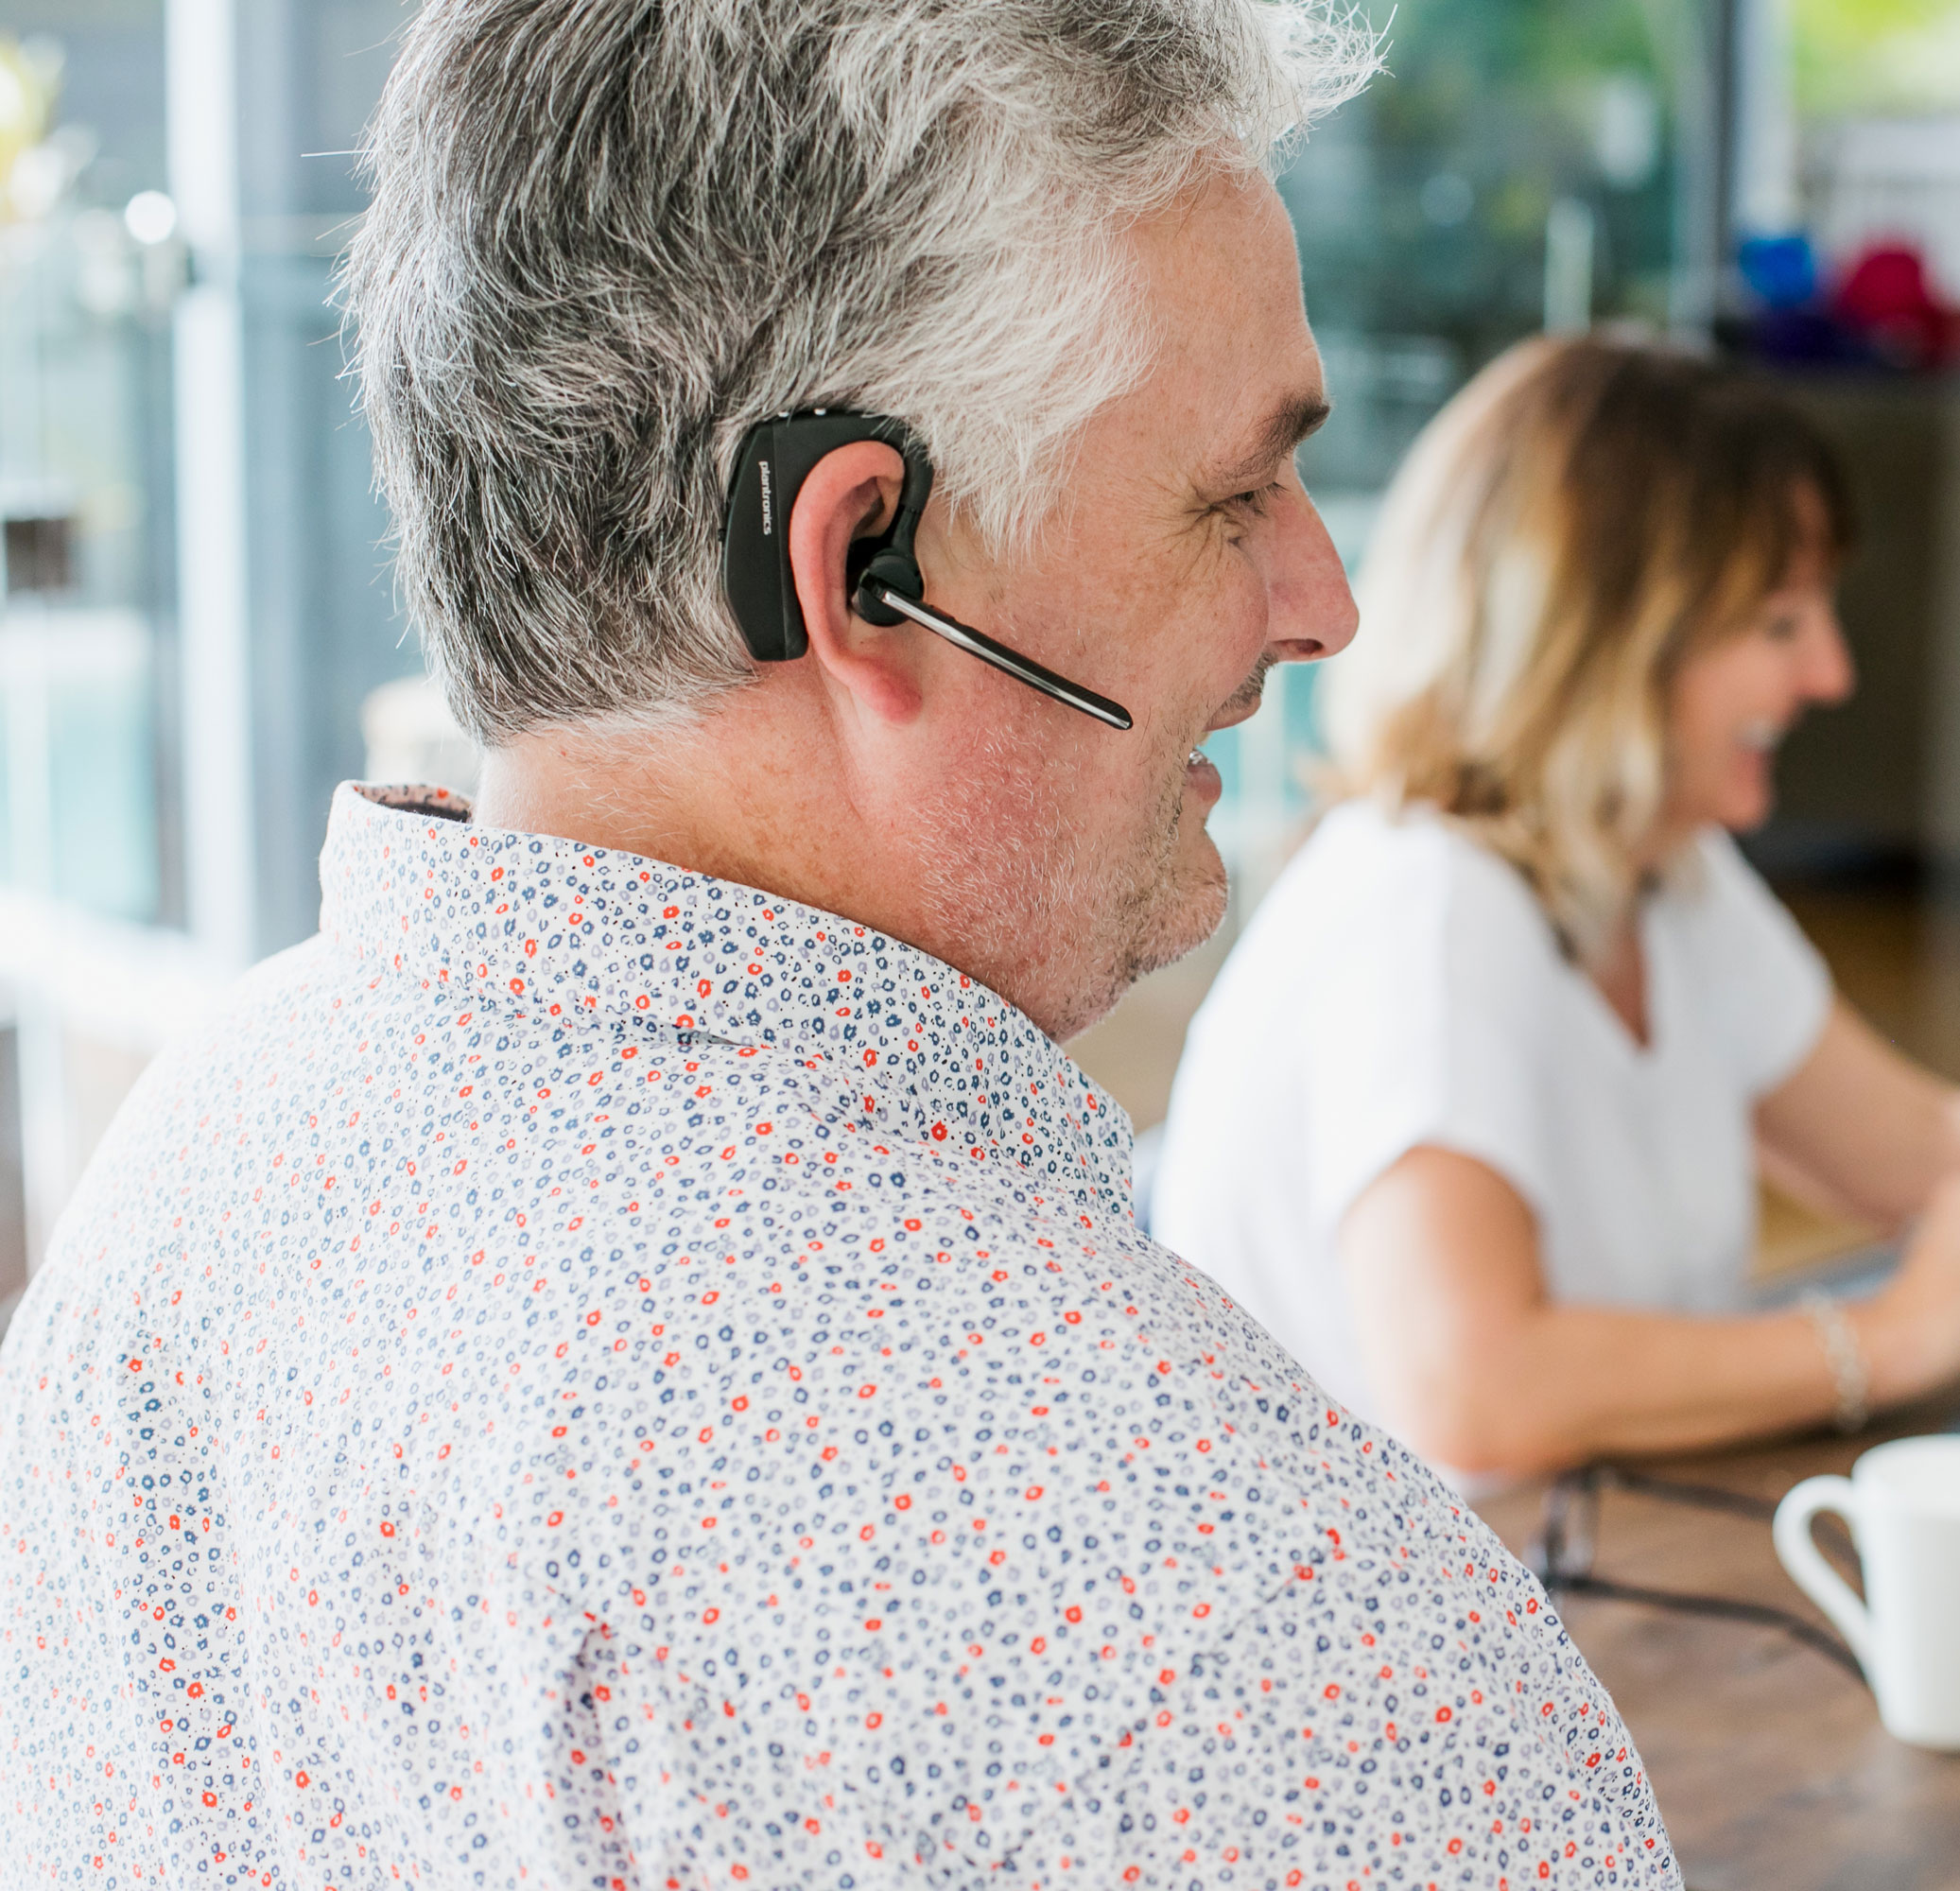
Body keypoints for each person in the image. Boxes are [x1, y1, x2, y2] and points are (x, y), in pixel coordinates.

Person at [0, 9, 1681, 1884]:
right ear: (861, 561)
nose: (1327, 599)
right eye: (1235, 494)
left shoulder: (180, 1185)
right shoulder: (1242, 1628)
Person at [1152, 336, 1960, 1483]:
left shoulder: (1655, 873)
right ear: (1610, 635)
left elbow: (1915, 1150)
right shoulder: (1429, 915)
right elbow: (1477, 1388)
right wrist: (1901, 1335)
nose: (1834, 674)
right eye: (1781, 623)